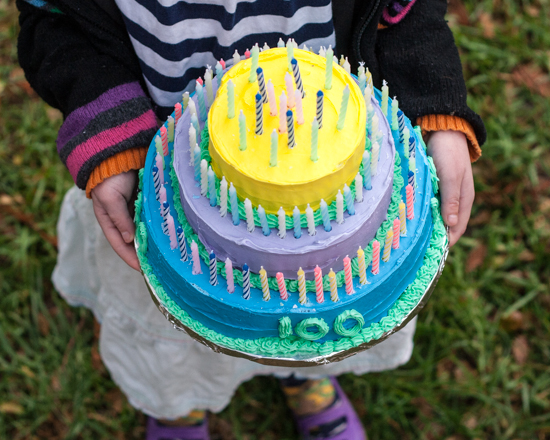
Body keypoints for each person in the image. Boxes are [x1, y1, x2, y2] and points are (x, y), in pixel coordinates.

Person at [17, 0, 486, 438]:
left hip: (344, 214)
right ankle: (179, 408)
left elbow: (404, 10)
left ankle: (304, 377)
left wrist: (433, 100)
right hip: (159, 189)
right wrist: (112, 137)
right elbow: (54, 17)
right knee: (172, 344)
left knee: (312, 315)